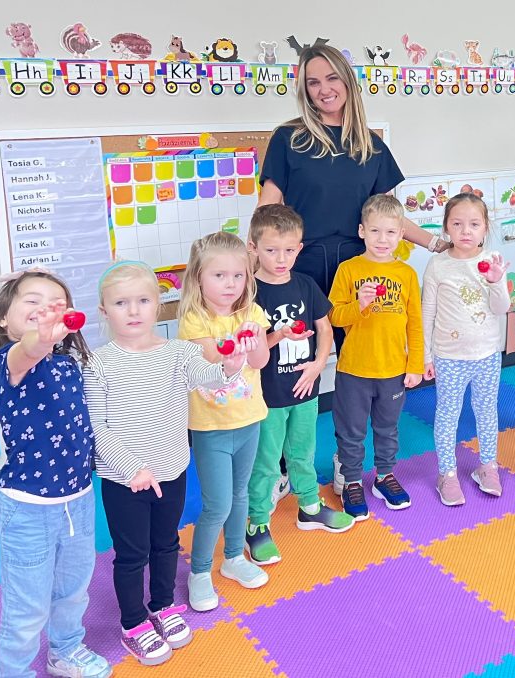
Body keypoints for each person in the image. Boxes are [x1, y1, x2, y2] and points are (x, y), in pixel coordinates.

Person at [257, 44, 446, 504]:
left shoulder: (371, 146)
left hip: (360, 271)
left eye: (332, 78)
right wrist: (251, 258)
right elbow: (269, 203)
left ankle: (349, 465)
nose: (323, 89)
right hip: (300, 267)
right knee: (287, 366)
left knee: (356, 372)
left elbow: (391, 216)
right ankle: (281, 467)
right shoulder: (289, 138)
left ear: (348, 81)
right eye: (313, 82)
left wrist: (437, 243)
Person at [85, 262, 245, 666]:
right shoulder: (98, 363)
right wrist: (132, 469)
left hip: (172, 470)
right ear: (104, 311)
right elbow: (97, 427)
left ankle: (161, 604)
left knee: (167, 543)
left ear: (158, 305)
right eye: (121, 303)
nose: (133, 310)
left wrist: (231, 366)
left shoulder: (179, 352)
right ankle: (133, 623)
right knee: (131, 554)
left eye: (142, 301)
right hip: (125, 480)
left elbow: (210, 377)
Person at [0, 270, 110, 678]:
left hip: (78, 498)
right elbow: (31, 348)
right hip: (27, 508)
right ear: (3, 318)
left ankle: (66, 649)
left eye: (55, 304)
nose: (44, 310)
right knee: (27, 606)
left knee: (73, 591)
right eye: (32, 301)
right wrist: (40, 337)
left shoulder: (69, 362)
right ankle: (14, 671)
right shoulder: (10, 361)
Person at [244, 205, 354, 566]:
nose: (281, 259)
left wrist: (320, 364)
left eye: (289, 250)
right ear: (253, 247)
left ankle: (309, 506)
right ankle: (257, 523)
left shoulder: (305, 284)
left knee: (303, 452)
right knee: (266, 462)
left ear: (299, 248)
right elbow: (252, 349)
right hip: (268, 395)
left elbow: (325, 328)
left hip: (306, 388)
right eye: (272, 250)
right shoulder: (249, 293)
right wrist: (279, 334)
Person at [178, 232, 272, 611]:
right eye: (219, 275)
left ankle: (233, 557)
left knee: (240, 494)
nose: (230, 284)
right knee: (217, 503)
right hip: (210, 427)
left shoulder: (252, 313)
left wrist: (256, 340)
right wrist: (236, 343)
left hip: (248, 420)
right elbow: (211, 357)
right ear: (198, 278)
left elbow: (260, 361)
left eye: (238, 275)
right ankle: (199, 571)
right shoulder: (193, 320)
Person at [329, 194, 423, 520]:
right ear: (362, 231)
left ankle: (384, 476)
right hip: (354, 369)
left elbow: (415, 324)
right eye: (375, 231)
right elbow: (334, 317)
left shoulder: (407, 274)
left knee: (388, 428)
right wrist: (360, 305)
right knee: (351, 431)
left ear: (401, 235)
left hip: (393, 370)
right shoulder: (348, 270)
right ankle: (352, 480)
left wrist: (415, 365)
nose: (383, 239)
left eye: (391, 232)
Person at [421, 193, 511, 506]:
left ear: (485, 227)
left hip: (487, 354)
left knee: (486, 411)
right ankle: (446, 473)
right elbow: (427, 312)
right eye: (457, 224)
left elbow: (501, 308)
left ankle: (488, 466)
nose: (466, 231)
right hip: (449, 356)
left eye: (474, 224)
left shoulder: (492, 260)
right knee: (448, 413)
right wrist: (425, 356)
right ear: (446, 227)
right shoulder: (438, 264)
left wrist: (496, 281)